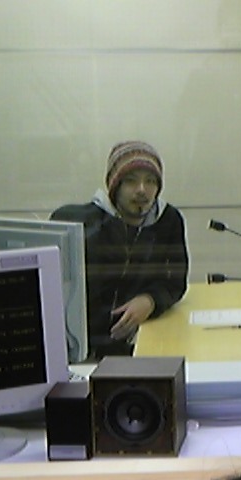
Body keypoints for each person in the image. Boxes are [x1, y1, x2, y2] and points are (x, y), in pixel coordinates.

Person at [51, 141, 189, 359]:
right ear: (115, 186)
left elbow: (175, 281)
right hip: (80, 345)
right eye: (131, 181)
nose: (142, 189)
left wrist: (150, 300)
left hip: (140, 340)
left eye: (150, 181)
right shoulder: (80, 223)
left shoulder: (168, 220)